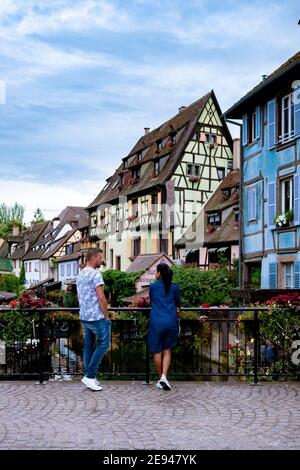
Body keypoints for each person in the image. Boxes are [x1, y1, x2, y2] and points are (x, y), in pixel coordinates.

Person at [76, 248, 111, 391]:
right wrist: (106, 315)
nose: (101, 261)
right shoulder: (96, 274)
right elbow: (101, 297)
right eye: (100, 258)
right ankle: (90, 376)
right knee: (104, 344)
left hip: (84, 316)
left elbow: (79, 296)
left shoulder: (80, 274)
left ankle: (90, 376)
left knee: (88, 346)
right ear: (94, 257)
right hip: (96, 317)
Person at [148, 263, 181, 391]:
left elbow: (152, 300)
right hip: (170, 321)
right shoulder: (174, 287)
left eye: (156, 271)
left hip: (156, 321)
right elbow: (178, 302)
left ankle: (160, 378)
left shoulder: (153, 287)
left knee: (157, 351)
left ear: (159, 273)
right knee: (167, 350)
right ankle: (164, 377)